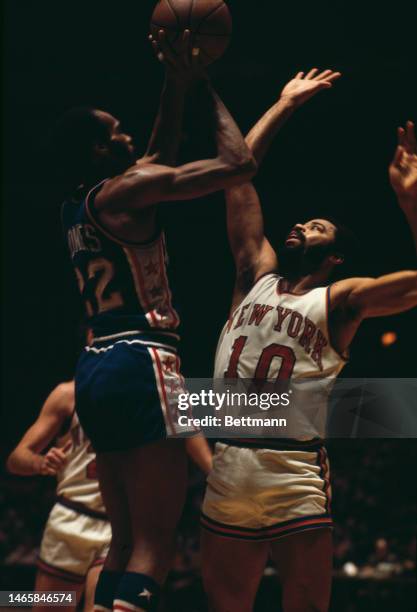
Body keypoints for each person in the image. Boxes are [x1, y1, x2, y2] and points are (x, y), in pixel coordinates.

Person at [201, 67, 417, 612]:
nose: (303, 225)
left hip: (292, 469)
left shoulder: (341, 300)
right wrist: (284, 104)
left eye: (318, 227)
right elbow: (236, 175)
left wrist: (412, 204)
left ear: (336, 256)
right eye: (304, 222)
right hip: (228, 462)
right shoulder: (256, 272)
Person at [57, 30, 255, 612]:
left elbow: (156, 155)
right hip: (143, 357)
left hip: (94, 365)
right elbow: (238, 164)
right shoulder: (127, 191)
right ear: (98, 151)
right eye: (115, 131)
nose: (128, 136)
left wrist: (176, 79)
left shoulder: (81, 206)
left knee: (121, 540)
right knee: (155, 541)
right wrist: (206, 86)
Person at [7, 381, 110, 612]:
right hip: (71, 520)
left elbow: (190, 432)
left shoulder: (155, 386)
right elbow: (15, 459)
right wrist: (41, 462)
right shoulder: (68, 393)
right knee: (47, 605)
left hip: (120, 526)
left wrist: (209, 469)